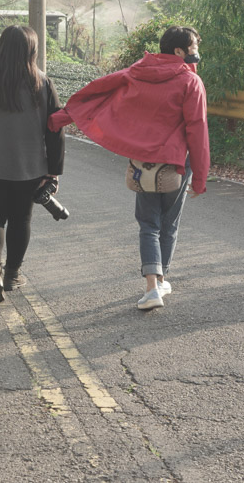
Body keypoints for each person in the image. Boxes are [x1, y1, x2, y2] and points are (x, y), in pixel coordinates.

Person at [50, 25, 210, 311]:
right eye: (194, 46)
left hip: (142, 161)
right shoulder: (190, 82)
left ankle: (152, 288)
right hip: (175, 163)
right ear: (179, 52)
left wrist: (60, 118)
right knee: (168, 223)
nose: (197, 51)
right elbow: (197, 129)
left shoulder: (138, 71)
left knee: (148, 223)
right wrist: (200, 175)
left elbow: (99, 91)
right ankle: (160, 281)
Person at [0, 25, 65, 303]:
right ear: (31, 50)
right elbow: (55, 128)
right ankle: (12, 275)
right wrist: (53, 171)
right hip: (28, 169)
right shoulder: (41, 83)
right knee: (21, 220)